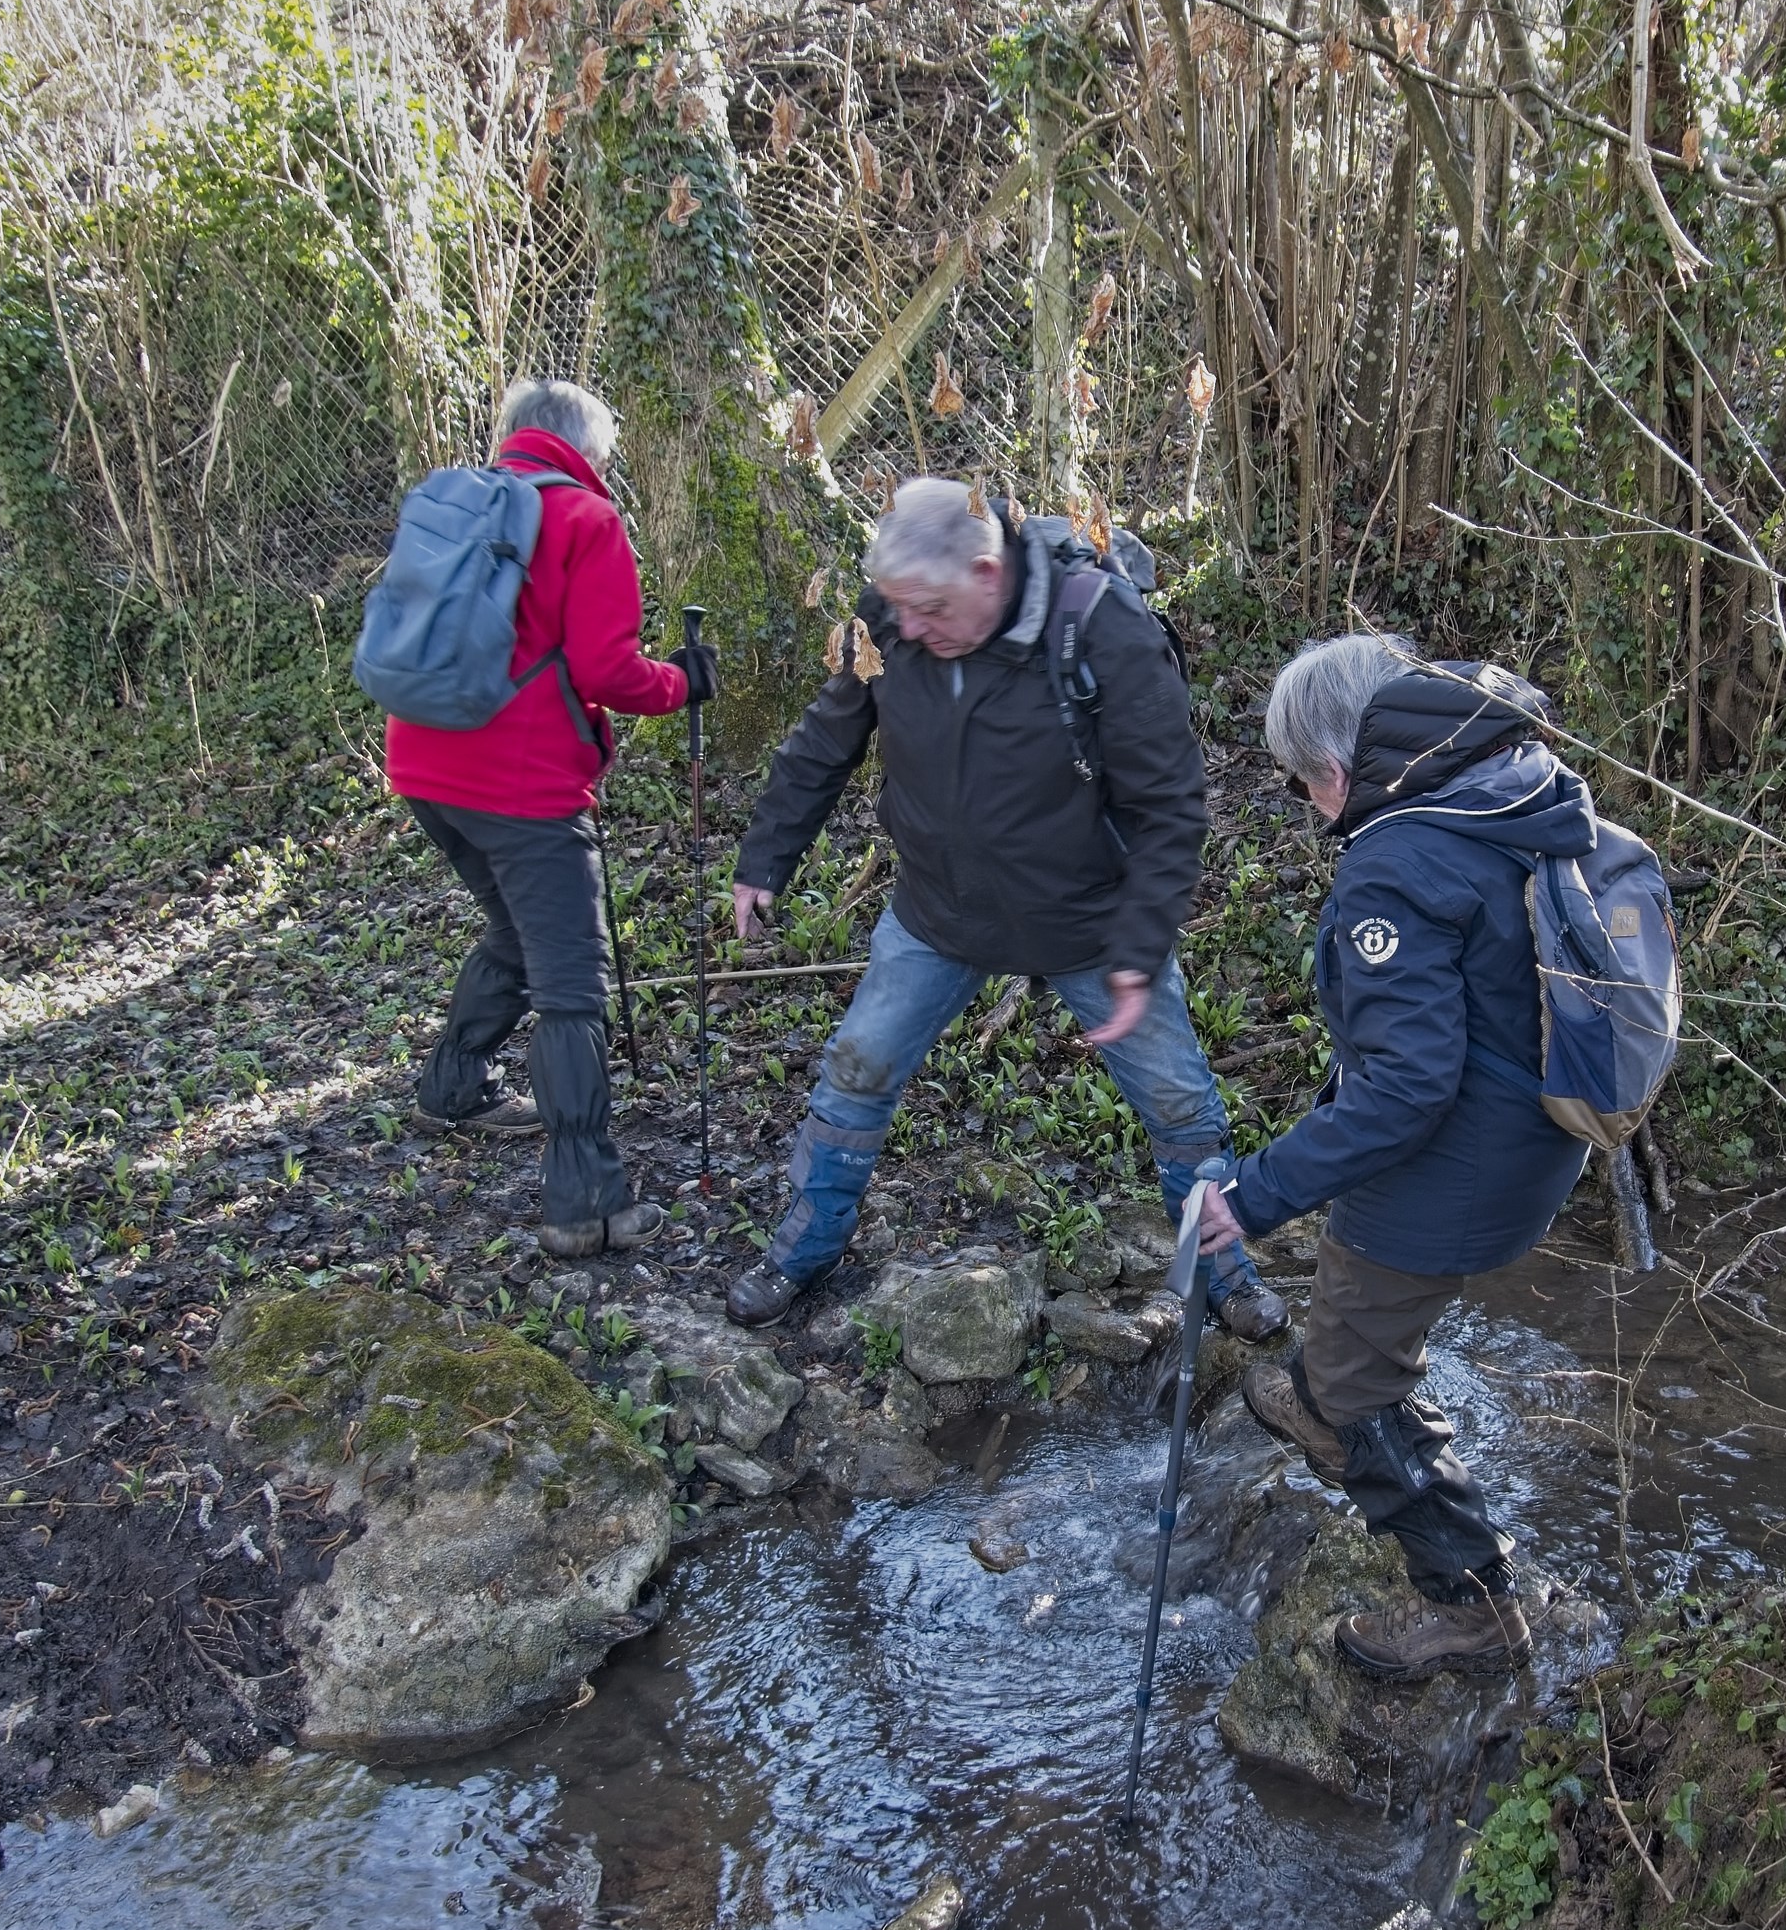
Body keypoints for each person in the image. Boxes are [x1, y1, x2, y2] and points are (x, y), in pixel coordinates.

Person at [722, 478, 1289, 1341]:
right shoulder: (893, 614)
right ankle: (805, 1247)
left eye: (927, 609)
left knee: (1182, 1109)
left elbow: (1172, 806)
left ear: (988, 571)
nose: (906, 628)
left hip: (1090, 920)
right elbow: (822, 742)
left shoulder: (1100, 626)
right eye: (897, 609)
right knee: (856, 1070)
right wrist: (765, 860)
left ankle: (1219, 1268)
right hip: (936, 914)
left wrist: (1139, 948)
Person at [1201, 637, 1596, 1684]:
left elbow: (1405, 1089)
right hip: (1527, 1139)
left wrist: (1252, 1194)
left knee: (1352, 1379)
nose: (1304, 803)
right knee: (1346, 1354)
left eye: (1300, 780)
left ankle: (1477, 1606)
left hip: (1453, 1166)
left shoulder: (1396, 862)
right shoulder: (1500, 792)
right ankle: (1331, 1408)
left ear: (1336, 763)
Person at [385, 377, 698, 1260]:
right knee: (572, 983)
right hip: (522, 787)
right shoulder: (588, 523)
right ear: (588, 451)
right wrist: (681, 682)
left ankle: (450, 1086)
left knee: (514, 933)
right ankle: (585, 1199)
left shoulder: (456, 501)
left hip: (422, 766)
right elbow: (608, 673)